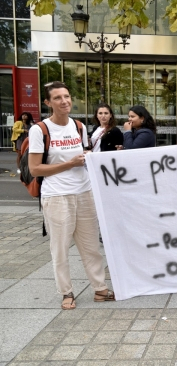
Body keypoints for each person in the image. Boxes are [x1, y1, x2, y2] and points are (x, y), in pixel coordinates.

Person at [28, 81, 115, 310]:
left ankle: (99, 288)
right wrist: (69, 164)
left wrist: (87, 157)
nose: (64, 101)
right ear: (48, 103)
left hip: (84, 192)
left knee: (90, 247)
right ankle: (66, 292)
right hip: (57, 196)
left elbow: (83, 156)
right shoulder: (40, 130)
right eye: (57, 98)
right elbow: (35, 168)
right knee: (60, 248)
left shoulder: (79, 127)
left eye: (66, 96)